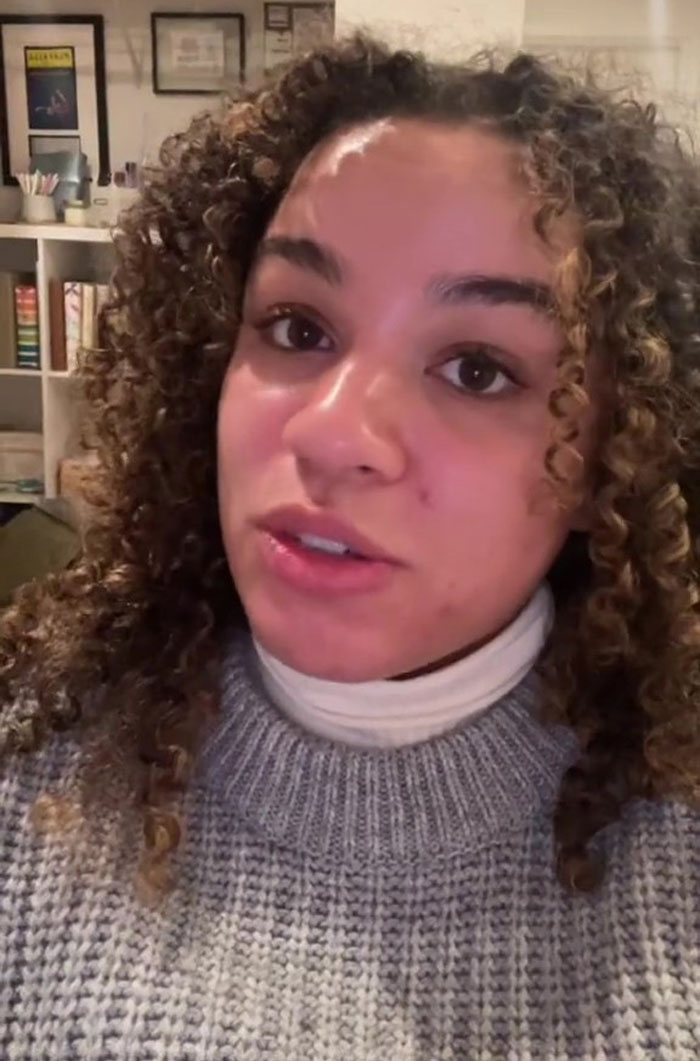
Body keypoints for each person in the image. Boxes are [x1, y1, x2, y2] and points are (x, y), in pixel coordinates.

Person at [1, 31, 699, 1060]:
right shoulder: (31, 776)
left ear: (616, 454)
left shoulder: (673, 841)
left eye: (477, 369)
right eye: (297, 328)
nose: (333, 433)